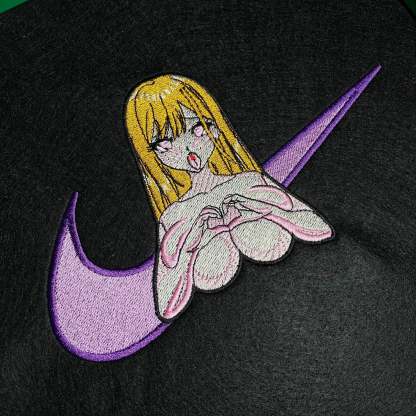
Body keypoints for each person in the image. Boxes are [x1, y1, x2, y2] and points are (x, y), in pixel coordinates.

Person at [125, 75, 334, 322]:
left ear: (215, 126)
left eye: (197, 129)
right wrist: (194, 239)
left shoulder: (248, 181)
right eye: (165, 145)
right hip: (221, 321)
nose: (187, 149)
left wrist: (259, 208)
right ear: (151, 155)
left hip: (305, 294)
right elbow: (167, 302)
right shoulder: (174, 215)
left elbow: (318, 227)